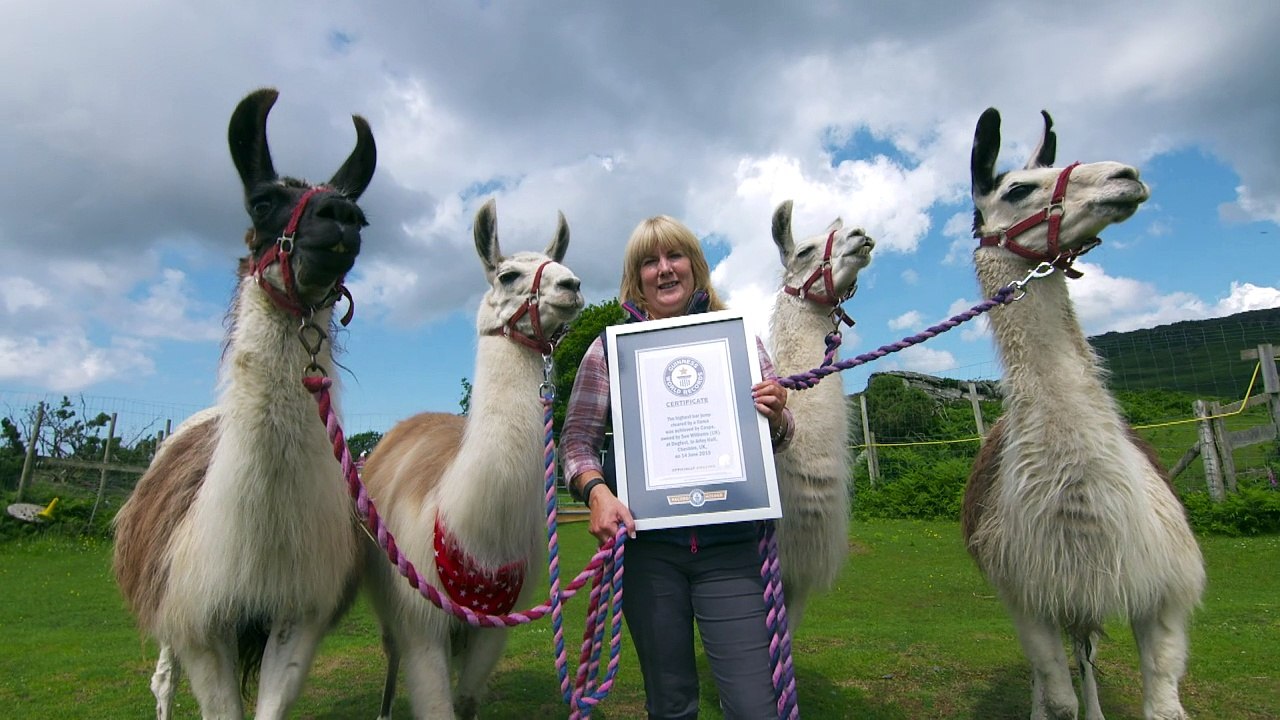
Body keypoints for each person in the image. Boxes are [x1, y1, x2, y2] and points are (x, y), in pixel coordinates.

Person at [561, 215, 794, 720]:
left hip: (730, 549)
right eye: (649, 261)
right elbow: (576, 445)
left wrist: (777, 414)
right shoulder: (608, 351)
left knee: (757, 706)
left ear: (695, 266)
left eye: (675, 256)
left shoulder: (740, 341)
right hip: (651, 555)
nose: (664, 270)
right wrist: (597, 493)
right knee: (670, 706)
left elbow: (780, 436)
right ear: (636, 276)